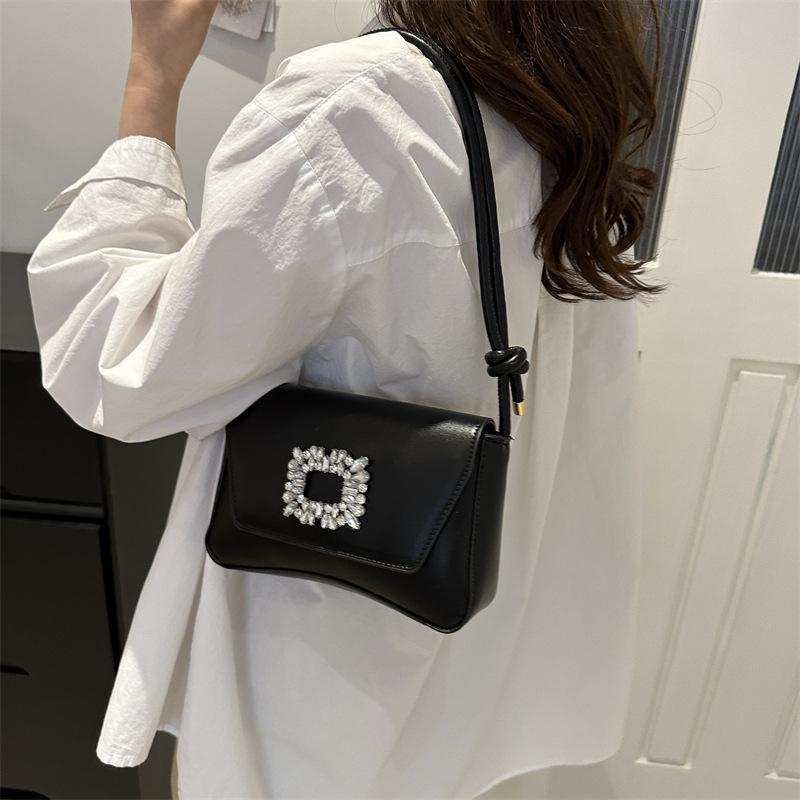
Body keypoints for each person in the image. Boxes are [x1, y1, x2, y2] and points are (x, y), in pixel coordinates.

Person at [27, 1, 663, 797]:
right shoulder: (561, 98)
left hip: (318, 679)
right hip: (470, 647)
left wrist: (151, 79)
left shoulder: (359, 108)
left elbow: (119, 370)